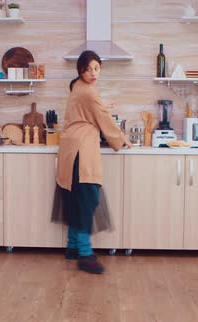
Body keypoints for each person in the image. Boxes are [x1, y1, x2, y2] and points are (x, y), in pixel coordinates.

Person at [56, 50, 132, 274]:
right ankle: (85, 255)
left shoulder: (78, 87)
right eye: (88, 69)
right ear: (80, 70)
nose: (93, 73)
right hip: (81, 149)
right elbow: (103, 119)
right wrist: (121, 140)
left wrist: (101, 104)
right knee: (86, 201)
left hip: (70, 148)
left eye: (97, 68)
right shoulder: (89, 92)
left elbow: (91, 108)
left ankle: (72, 248)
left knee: (74, 198)